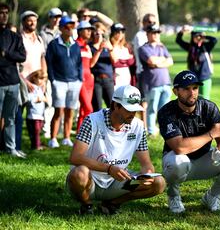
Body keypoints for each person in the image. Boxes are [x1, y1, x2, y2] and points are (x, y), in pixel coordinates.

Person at [66, 85, 166, 215]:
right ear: (115, 106)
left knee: (158, 183)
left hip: (118, 182)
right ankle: (87, 205)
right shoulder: (92, 121)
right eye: (129, 109)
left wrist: (147, 173)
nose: (133, 114)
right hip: (89, 180)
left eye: (135, 109)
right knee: (79, 173)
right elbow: (75, 157)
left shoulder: (138, 126)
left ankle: (112, 203)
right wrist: (109, 168)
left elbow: (146, 163)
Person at [158, 70, 220, 213]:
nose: (192, 93)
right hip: (177, 160)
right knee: (178, 162)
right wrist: (211, 134)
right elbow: (179, 147)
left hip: (204, 159)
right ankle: (173, 196)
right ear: (175, 91)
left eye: (195, 88)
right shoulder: (166, 112)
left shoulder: (209, 107)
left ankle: (212, 196)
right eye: (186, 88)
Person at [46, 16, 82, 148]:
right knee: (58, 110)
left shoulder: (75, 45)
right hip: (59, 82)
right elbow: (49, 63)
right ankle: (53, 138)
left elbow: (79, 63)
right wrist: (53, 80)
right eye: (67, 27)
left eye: (72, 27)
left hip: (74, 82)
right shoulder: (54, 44)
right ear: (61, 28)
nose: (70, 29)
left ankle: (66, 138)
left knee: (70, 111)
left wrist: (79, 80)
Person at [16, 10, 47, 151]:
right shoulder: (19, 38)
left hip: (38, 83)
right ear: (23, 22)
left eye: (34, 20)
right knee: (18, 114)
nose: (33, 23)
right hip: (22, 81)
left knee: (35, 115)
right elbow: (16, 64)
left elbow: (42, 58)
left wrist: (44, 79)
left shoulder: (39, 39)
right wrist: (26, 82)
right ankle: (15, 145)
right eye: (29, 20)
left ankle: (35, 144)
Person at [0, 2, 27, 158]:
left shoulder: (14, 36)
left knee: (10, 118)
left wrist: (6, 54)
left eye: (6, 13)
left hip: (13, 81)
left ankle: (10, 148)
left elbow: (22, 56)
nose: (4, 15)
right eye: (1, 12)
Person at [138, 24, 173, 136]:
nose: (156, 35)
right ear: (147, 34)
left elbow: (171, 61)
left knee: (165, 110)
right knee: (152, 109)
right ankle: (151, 131)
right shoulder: (143, 48)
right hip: (152, 83)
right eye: (153, 32)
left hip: (166, 83)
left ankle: (165, 130)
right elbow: (151, 61)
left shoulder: (162, 47)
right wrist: (163, 60)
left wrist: (159, 62)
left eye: (157, 32)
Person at [176, 26, 217, 100]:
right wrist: (182, 31)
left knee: (205, 99)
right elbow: (178, 40)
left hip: (205, 78)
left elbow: (214, 40)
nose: (198, 38)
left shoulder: (206, 47)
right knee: (194, 99)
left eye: (200, 36)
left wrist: (204, 36)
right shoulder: (190, 47)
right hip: (193, 79)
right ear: (192, 37)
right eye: (196, 36)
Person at [40, 7, 62, 139]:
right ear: (49, 18)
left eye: (59, 17)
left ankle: (58, 129)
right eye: (54, 17)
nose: (57, 19)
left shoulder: (62, 32)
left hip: (61, 72)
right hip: (49, 70)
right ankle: (46, 129)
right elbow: (43, 54)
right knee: (49, 101)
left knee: (60, 102)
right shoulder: (43, 33)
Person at [90, 22, 115, 112]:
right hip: (96, 80)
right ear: (93, 34)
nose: (99, 36)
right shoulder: (90, 47)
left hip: (108, 79)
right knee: (97, 108)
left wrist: (111, 49)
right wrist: (99, 50)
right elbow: (91, 64)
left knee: (112, 107)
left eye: (102, 33)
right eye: (97, 33)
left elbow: (115, 61)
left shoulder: (108, 46)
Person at [26, 70, 48, 150]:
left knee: (38, 131)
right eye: (40, 79)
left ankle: (36, 144)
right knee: (35, 131)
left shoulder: (40, 89)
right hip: (33, 115)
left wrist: (44, 99)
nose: (42, 81)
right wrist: (38, 99)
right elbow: (28, 98)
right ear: (34, 78)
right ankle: (36, 146)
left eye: (44, 80)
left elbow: (44, 98)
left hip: (40, 115)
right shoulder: (32, 88)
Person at [110, 23, 135, 89]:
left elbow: (131, 62)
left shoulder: (126, 47)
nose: (120, 33)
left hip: (126, 75)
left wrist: (120, 60)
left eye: (122, 31)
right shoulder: (110, 46)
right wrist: (126, 60)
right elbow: (115, 63)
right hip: (116, 76)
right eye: (118, 31)